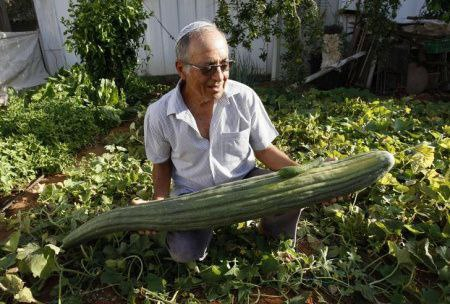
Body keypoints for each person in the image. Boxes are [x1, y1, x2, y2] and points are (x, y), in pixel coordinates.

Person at [139, 21, 310, 263]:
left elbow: (263, 149)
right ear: (181, 68)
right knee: (184, 253)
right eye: (208, 68)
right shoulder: (159, 114)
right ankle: (197, 231)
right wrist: (158, 204)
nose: (219, 76)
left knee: (293, 191)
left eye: (224, 65)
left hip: (244, 183)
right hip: (194, 196)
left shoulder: (244, 97)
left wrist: (306, 174)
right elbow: (162, 164)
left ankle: (273, 231)